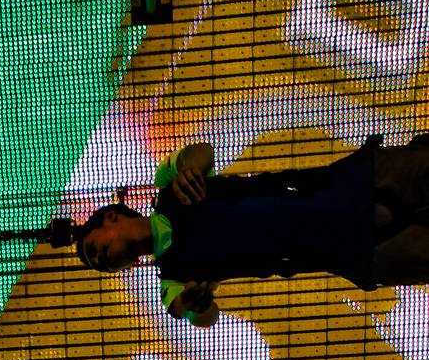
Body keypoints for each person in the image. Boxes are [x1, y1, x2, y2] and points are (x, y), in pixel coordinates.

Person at [70, 133, 429, 328]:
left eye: (93, 249)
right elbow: (197, 314)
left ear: (111, 218)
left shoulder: (167, 186)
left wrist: (190, 169)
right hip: (363, 252)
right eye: (100, 265)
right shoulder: (172, 280)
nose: (101, 260)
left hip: (355, 181)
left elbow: (201, 152)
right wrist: (196, 304)